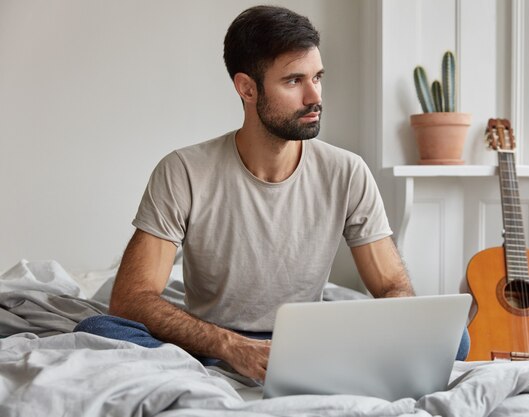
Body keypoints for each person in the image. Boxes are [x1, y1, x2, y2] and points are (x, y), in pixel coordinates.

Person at [75, 5, 468, 382]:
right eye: (294, 81)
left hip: (308, 343)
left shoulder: (347, 171)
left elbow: (391, 286)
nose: (314, 97)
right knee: (99, 328)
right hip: (214, 343)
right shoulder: (183, 170)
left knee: (456, 339)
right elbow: (131, 298)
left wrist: (402, 325)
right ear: (247, 88)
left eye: (317, 77)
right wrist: (231, 345)